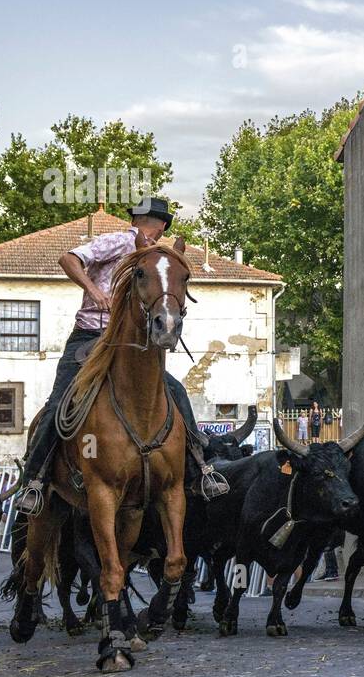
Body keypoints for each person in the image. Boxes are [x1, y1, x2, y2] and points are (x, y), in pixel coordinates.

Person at [13, 197, 228, 515]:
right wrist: (94, 290)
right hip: (90, 338)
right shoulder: (119, 240)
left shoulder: (157, 258)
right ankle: (34, 480)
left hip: (128, 345)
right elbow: (68, 258)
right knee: (59, 404)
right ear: (162, 224)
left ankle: (199, 468)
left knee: (176, 391)